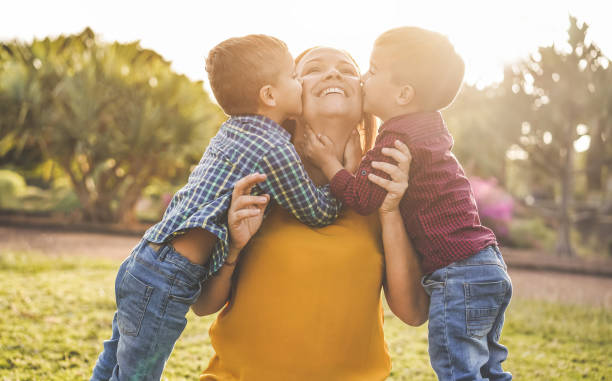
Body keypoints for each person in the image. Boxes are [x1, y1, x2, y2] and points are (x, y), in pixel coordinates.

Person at [91, 34, 343, 381]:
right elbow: (319, 212)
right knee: (136, 375)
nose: (300, 83)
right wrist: (336, 167)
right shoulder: (274, 148)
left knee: (112, 363)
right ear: (269, 95)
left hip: (144, 262)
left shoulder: (233, 130)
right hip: (168, 276)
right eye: (293, 76)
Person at [197, 47, 429, 381]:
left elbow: (413, 312)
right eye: (313, 69)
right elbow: (203, 305)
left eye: (347, 69)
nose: (333, 74)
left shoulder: (384, 187)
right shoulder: (257, 180)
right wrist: (232, 248)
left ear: (364, 97)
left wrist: (390, 211)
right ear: (287, 94)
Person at [304, 27, 513, 380]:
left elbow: (362, 199)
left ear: (403, 94)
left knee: (457, 369)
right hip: (487, 265)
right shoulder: (430, 127)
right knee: (490, 369)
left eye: (371, 71)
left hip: (457, 271)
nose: (364, 80)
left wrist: (331, 164)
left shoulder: (396, 137)